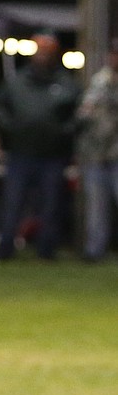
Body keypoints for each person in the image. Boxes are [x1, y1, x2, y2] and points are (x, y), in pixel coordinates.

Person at [0, 33, 80, 261]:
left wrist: (63, 132)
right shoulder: (17, 81)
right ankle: (5, 248)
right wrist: (10, 128)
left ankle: (46, 250)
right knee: (13, 202)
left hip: (52, 155)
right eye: (39, 50)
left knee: (51, 204)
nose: (42, 55)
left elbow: (79, 115)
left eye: (47, 51)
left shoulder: (66, 83)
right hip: (21, 152)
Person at [75, 38, 118, 263]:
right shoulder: (99, 80)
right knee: (96, 208)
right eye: (113, 54)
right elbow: (84, 114)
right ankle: (95, 251)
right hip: (96, 154)